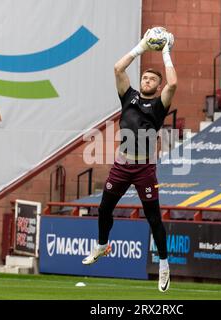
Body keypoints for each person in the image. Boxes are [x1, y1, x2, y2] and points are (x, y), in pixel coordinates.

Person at [82, 27, 177, 293]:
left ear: (157, 86)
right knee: (103, 209)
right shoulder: (129, 96)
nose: (146, 81)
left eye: (151, 79)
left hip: (145, 168)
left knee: (153, 217)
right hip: (122, 164)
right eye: (144, 77)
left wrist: (166, 52)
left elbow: (174, 84)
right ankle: (102, 246)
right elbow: (117, 69)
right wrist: (142, 47)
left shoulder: (159, 104)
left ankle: (164, 265)